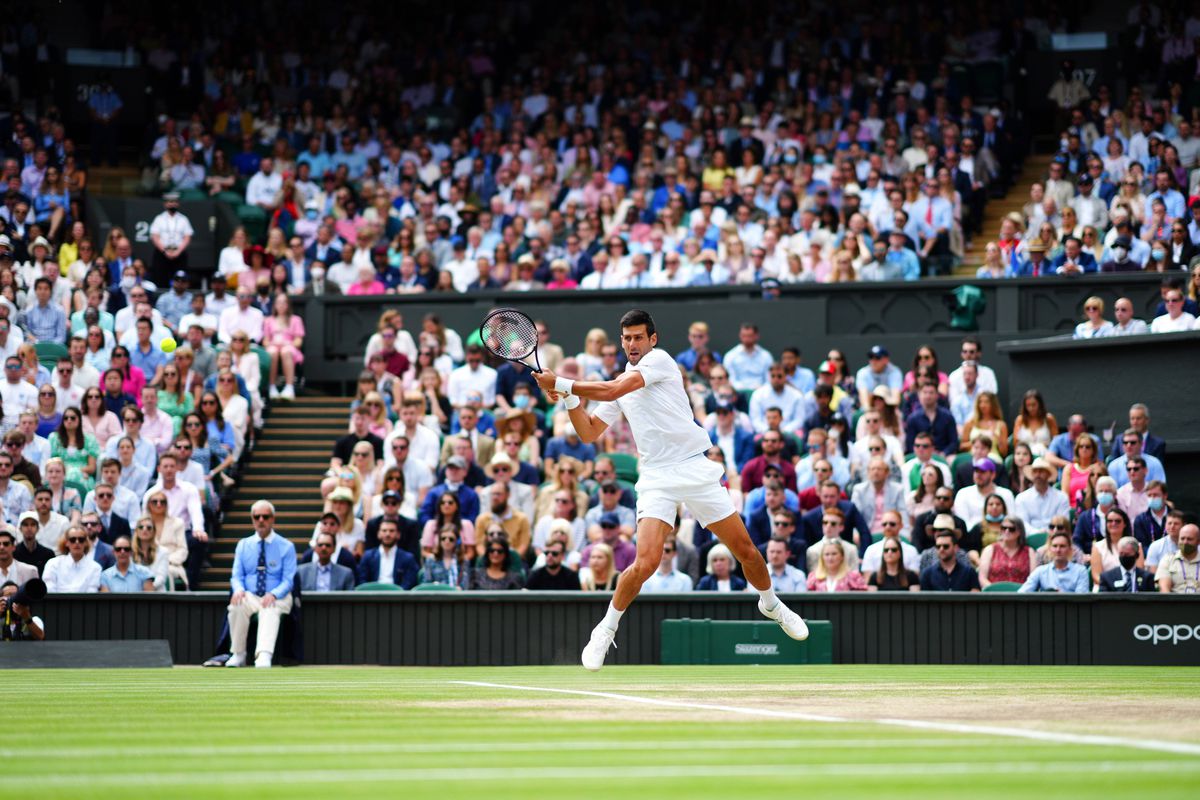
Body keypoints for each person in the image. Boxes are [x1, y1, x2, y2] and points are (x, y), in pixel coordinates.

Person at [356, 518, 419, 589]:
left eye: (391, 531)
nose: (387, 534)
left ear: (398, 535)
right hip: (372, 597)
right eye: (384, 531)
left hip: (398, 598)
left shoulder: (408, 558)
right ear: (378, 534)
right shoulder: (368, 556)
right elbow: (362, 581)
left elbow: (409, 584)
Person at [1019, 531, 1091, 593]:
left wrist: (1062, 595)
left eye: (1062, 546)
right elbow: (1022, 593)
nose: (1058, 550)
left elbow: (1082, 599)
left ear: (1070, 549)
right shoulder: (1040, 571)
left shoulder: (1080, 571)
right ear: (1050, 549)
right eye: (1055, 546)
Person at [1013, 458, 1070, 534]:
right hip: (1029, 539)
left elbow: (1063, 522)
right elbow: (1022, 524)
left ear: (1048, 474)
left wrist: (1051, 532)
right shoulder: (1021, 498)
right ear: (1032, 474)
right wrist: (1038, 533)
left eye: (1041, 471)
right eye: (1035, 471)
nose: (1038, 475)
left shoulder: (1061, 497)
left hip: (1056, 537)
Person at [976, 516, 1036, 588]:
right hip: (994, 595)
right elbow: (982, 578)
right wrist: (995, 591)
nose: (1007, 531)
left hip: (1021, 595)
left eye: (1011, 529)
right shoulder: (989, 549)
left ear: (1019, 532)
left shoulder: (1029, 552)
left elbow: (1033, 579)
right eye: (1003, 528)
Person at [42, 524, 101, 592]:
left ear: (85, 543)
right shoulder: (53, 564)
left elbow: (91, 594)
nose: (77, 542)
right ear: (66, 542)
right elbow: (50, 591)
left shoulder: (95, 568)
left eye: (81, 539)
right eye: (72, 539)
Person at [860, 510, 920, 574]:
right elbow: (868, 579)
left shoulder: (911, 550)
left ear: (901, 525)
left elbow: (914, 578)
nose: (888, 527)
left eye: (892, 524)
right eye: (884, 524)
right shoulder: (871, 550)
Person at [1156, 524, 1200, 593]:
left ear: (1198, 541)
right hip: (1174, 602)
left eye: (1189, 539)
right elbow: (1164, 589)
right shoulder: (1167, 560)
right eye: (1182, 538)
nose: (1185, 542)